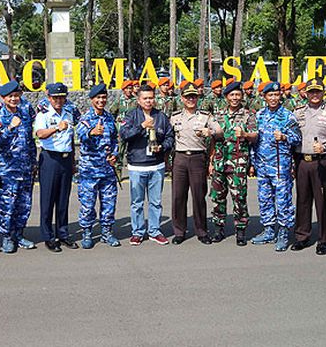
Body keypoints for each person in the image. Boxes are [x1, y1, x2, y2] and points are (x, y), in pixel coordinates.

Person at [291, 79, 326, 255]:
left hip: (322, 161)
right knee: (302, 200)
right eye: (311, 92)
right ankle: (302, 236)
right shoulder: (297, 112)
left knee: (323, 202)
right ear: (306, 93)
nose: (314, 95)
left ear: (323, 93)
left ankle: (323, 239)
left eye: (318, 91)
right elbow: (291, 135)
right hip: (301, 160)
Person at [120, 84, 174, 246]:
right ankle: (137, 232)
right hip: (137, 165)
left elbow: (170, 137)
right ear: (138, 100)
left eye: (151, 98)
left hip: (156, 166)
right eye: (145, 98)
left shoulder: (161, 116)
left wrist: (162, 147)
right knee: (137, 202)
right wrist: (142, 126)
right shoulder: (131, 115)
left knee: (155, 202)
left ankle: (155, 231)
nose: (148, 101)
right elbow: (124, 134)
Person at [250, 82, 301, 252]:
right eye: (270, 95)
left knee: (283, 199)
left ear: (280, 96)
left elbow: (298, 139)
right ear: (264, 97)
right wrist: (252, 162)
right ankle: (269, 230)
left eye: (276, 95)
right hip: (262, 165)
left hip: (280, 165)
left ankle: (284, 233)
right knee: (264, 198)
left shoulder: (288, 116)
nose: (273, 98)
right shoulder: (259, 115)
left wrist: (285, 137)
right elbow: (254, 140)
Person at [170, 81, 222, 245]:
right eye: (188, 97)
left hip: (198, 158)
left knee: (199, 196)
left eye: (193, 96)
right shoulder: (175, 117)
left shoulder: (206, 116)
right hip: (180, 158)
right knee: (178, 196)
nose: (191, 99)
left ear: (198, 98)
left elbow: (220, 132)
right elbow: (167, 136)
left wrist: (210, 131)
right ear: (182, 98)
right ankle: (179, 231)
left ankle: (201, 231)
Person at [0, 81, 37, 253]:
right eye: (10, 96)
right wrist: (9, 127)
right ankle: (7, 237)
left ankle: (19, 234)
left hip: (25, 169)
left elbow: (30, 141)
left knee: (24, 205)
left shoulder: (25, 114)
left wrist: (33, 162)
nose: (14, 99)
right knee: (7, 206)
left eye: (16, 96)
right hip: (7, 170)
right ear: (3, 98)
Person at [209, 80, 257, 245]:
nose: (235, 98)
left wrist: (245, 134)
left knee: (239, 197)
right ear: (226, 97)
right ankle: (218, 229)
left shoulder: (248, 115)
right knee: (217, 197)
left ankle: (241, 231)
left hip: (238, 162)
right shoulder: (218, 114)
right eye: (232, 95)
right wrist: (211, 161)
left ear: (241, 96)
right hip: (219, 162)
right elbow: (213, 139)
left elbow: (255, 136)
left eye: (237, 94)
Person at [75, 84, 121, 249]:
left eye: (103, 97)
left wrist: (115, 154)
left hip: (107, 169)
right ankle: (87, 232)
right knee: (88, 205)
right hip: (90, 170)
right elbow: (79, 135)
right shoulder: (86, 118)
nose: (101, 100)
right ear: (92, 99)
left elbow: (115, 139)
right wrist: (91, 132)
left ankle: (106, 233)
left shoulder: (109, 118)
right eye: (98, 98)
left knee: (109, 203)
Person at [33, 83, 77, 252]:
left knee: (63, 199)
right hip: (50, 158)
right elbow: (40, 134)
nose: (59, 100)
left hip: (66, 158)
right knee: (48, 199)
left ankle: (63, 234)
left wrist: (73, 161)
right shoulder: (43, 114)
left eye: (61, 97)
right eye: (55, 97)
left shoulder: (69, 113)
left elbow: (70, 138)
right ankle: (48, 236)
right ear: (49, 98)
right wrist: (57, 128)